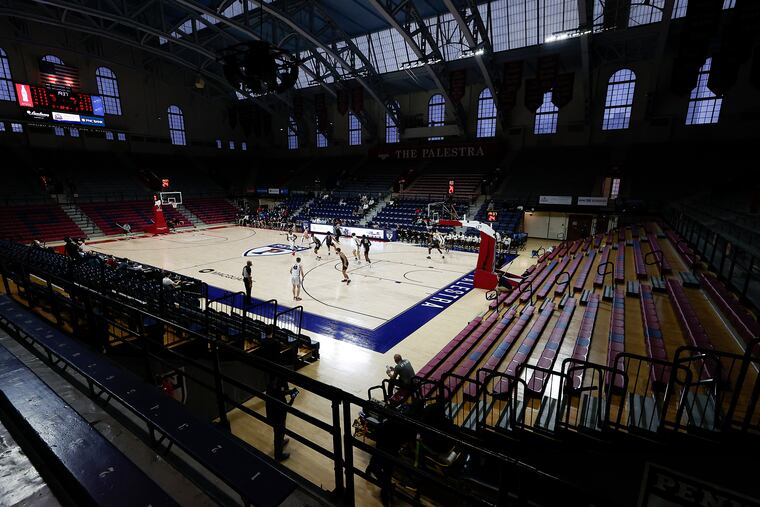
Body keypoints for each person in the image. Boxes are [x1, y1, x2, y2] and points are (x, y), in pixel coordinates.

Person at [265, 373, 297, 461]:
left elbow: (281, 391)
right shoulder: (277, 388)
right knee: (278, 431)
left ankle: (281, 442)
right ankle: (278, 455)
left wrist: (289, 392)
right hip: (277, 413)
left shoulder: (273, 382)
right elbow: (287, 406)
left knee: (280, 429)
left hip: (274, 411)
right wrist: (292, 397)